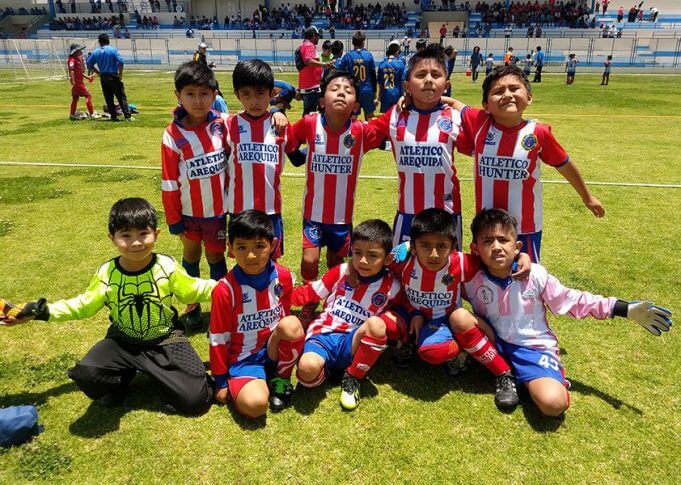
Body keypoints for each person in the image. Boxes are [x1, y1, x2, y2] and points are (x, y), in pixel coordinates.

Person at [3, 198, 216, 415]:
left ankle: (163, 376)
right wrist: (40, 311)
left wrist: (232, 287)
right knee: (88, 373)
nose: (136, 242)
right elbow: (82, 305)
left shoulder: (167, 267)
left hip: (164, 341)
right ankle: (121, 379)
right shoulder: (107, 273)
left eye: (143, 233)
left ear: (156, 234)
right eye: (126, 235)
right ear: (112, 238)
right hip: (123, 342)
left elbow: (195, 289)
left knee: (196, 401)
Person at [463, 208, 672, 416]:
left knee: (553, 404)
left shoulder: (535, 274)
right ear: (475, 248)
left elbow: (574, 301)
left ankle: (524, 378)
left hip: (531, 349)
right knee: (459, 317)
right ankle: (505, 373)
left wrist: (622, 308)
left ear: (517, 247)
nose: (497, 247)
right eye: (488, 241)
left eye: (503, 240)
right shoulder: (471, 277)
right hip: (493, 342)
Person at [453, 65, 605, 262]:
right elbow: (455, 104)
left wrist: (587, 197)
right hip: (488, 229)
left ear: (530, 98)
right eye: (498, 91)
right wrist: (411, 98)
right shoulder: (480, 123)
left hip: (526, 227)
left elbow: (564, 164)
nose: (507, 95)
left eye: (514, 89)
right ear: (486, 105)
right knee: (487, 280)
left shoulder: (538, 133)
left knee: (525, 282)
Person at [389, 208, 526, 409]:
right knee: (384, 325)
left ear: (453, 246)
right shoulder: (405, 261)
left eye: (441, 246)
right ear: (415, 247)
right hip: (410, 313)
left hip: (443, 321)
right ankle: (407, 341)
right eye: (425, 245)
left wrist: (521, 257)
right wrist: (404, 246)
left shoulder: (461, 262)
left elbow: (495, 259)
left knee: (431, 352)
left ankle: (466, 351)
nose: (434, 254)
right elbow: (381, 261)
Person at [293, 219, 401, 410]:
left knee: (376, 324)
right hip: (323, 335)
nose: (363, 261)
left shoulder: (392, 285)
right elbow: (311, 293)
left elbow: (405, 309)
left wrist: (401, 323)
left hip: (353, 342)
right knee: (306, 371)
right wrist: (280, 297)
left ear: (386, 258)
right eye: (357, 253)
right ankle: (329, 370)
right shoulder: (343, 271)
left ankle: (352, 377)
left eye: (373, 255)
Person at [209, 210, 305, 417]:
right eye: (241, 247)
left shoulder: (283, 276)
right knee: (256, 406)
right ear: (231, 249)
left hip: (272, 348)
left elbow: (284, 313)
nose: (251, 255)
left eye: (259, 246)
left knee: (292, 324)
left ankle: (281, 376)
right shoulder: (225, 290)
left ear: (273, 245)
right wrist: (220, 381)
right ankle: (254, 380)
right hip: (244, 359)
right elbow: (217, 338)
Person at [369, 46, 464, 248]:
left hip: (446, 211)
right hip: (408, 210)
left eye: (436, 75)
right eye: (421, 75)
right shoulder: (394, 116)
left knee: (449, 270)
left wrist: (455, 103)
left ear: (446, 85)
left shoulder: (455, 117)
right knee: (402, 268)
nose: (428, 79)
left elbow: (484, 131)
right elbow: (358, 135)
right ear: (407, 85)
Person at [161, 61, 230, 329]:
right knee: (191, 257)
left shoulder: (223, 125)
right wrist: (174, 220)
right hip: (189, 214)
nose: (198, 101)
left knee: (215, 257)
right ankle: (192, 306)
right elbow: (168, 181)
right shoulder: (172, 134)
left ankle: (222, 305)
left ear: (214, 94)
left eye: (204, 94)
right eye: (190, 94)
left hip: (216, 212)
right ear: (178, 95)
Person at [225, 60, 294, 261]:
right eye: (246, 94)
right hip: (239, 210)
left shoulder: (281, 125)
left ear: (272, 94)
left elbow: (297, 156)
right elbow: (202, 117)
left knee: (270, 260)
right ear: (237, 95)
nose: (254, 101)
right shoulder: (229, 124)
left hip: (271, 210)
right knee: (244, 261)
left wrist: (277, 111)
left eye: (260, 93)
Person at [86, 33, 131, 121]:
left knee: (108, 97)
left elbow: (89, 63)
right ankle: (127, 116)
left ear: (99, 42)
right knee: (121, 96)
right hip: (113, 75)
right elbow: (121, 62)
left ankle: (114, 116)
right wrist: (120, 74)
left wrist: (97, 72)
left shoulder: (96, 52)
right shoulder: (113, 50)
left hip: (103, 76)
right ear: (108, 41)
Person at [338, 30, 378, 120]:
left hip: (354, 91)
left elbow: (339, 71)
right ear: (363, 42)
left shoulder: (348, 56)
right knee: (370, 116)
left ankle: (352, 133)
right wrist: (374, 91)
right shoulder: (368, 55)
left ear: (352, 42)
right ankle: (370, 133)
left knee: (353, 116)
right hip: (367, 90)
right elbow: (373, 75)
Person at [297, 26, 330, 115]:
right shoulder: (309, 45)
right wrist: (324, 64)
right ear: (313, 36)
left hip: (308, 86)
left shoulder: (303, 45)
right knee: (310, 114)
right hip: (311, 87)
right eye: (317, 36)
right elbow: (308, 61)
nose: (318, 38)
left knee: (309, 113)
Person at [67, 43, 97, 120]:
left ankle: (72, 114)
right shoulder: (72, 60)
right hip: (78, 83)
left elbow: (80, 72)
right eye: (80, 50)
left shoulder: (77, 59)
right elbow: (71, 71)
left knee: (75, 98)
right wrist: (73, 82)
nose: (81, 52)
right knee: (88, 96)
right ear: (75, 51)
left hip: (79, 82)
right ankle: (92, 113)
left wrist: (88, 77)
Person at [377, 40, 406, 114]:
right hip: (396, 94)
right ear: (397, 52)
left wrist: (379, 98)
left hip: (385, 95)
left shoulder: (382, 65)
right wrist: (403, 95)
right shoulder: (400, 64)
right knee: (396, 118)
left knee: (386, 119)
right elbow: (402, 81)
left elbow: (380, 84)